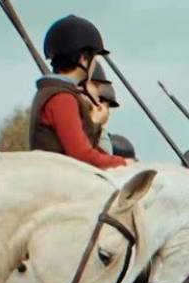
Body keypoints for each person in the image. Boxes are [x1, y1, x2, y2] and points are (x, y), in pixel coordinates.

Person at [29, 14, 127, 168]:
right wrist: (123, 163)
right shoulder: (62, 98)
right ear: (83, 59)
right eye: (94, 59)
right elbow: (82, 156)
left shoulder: (56, 93)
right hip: (59, 179)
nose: (94, 65)